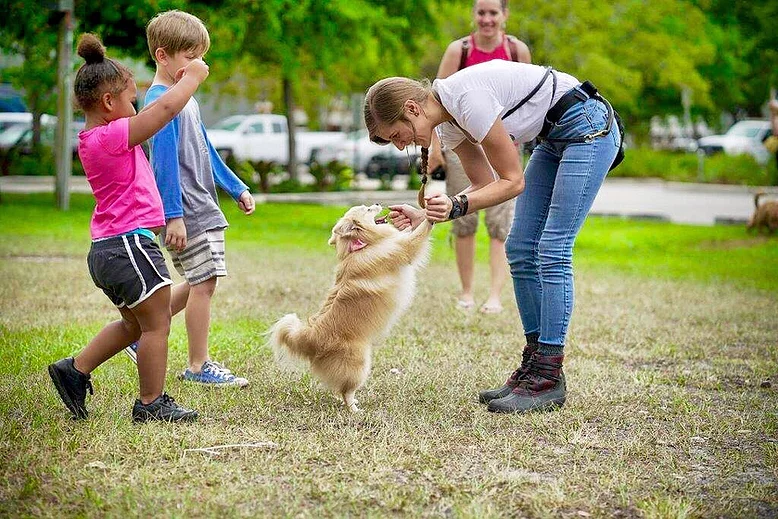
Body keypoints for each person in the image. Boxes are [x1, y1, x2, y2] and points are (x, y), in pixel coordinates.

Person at [365, 59, 621, 413]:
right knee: (519, 248)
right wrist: (426, 214)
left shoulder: (467, 99)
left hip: (586, 126)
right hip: (553, 136)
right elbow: (484, 185)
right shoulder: (450, 123)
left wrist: (453, 206)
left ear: (411, 108)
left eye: (395, 134)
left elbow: (512, 181)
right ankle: (535, 367)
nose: (398, 146)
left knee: (552, 248)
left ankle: (548, 373)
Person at [47, 33, 209, 422]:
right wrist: (192, 78)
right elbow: (166, 110)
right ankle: (151, 403)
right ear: (108, 103)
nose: (136, 107)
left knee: (133, 324)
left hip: (108, 248)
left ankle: (75, 369)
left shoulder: (93, 139)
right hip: (129, 245)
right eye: (131, 100)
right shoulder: (112, 135)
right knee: (156, 325)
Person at [142, 10, 255, 387]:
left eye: (201, 57)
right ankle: (197, 365)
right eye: (191, 57)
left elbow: (205, 148)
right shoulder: (162, 103)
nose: (200, 66)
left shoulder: (184, 100)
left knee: (199, 278)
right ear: (163, 56)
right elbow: (163, 163)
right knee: (204, 281)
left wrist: (235, 186)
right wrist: (173, 215)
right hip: (187, 210)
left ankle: (135, 333)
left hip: (202, 203)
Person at [429, 0, 531, 314]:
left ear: (504, 16)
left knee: (500, 223)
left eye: (493, 13)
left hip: (504, 147)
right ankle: (466, 292)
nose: (487, 19)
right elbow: (436, 103)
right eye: (481, 13)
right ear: (474, 15)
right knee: (464, 216)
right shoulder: (457, 51)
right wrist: (435, 150)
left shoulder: (517, 51)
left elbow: (525, 99)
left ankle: (495, 295)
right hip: (463, 148)